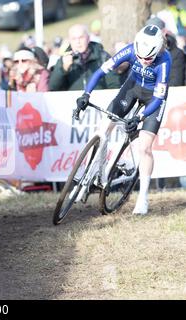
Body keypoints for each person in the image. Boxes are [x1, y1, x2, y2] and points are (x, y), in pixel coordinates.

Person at [75, 25, 171, 215]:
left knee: (144, 147)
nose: (143, 62)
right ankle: (97, 173)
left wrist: (139, 117)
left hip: (153, 99)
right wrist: (86, 94)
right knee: (103, 129)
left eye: (148, 58)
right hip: (132, 87)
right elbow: (101, 71)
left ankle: (143, 198)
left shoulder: (164, 61)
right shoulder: (129, 50)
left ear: (158, 51)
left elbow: (159, 98)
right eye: (140, 57)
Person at [49, 24, 120, 91]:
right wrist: (63, 69)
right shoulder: (64, 59)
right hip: (73, 102)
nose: (78, 42)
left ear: (88, 38)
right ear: (70, 41)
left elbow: (114, 85)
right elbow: (52, 88)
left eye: (81, 37)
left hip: (99, 101)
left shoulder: (102, 56)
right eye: (74, 39)